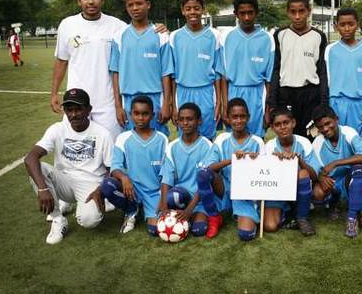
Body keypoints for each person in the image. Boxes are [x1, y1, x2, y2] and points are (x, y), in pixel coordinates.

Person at [24, 88, 113, 244]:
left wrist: (101, 191)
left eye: (78, 109)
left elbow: (112, 169)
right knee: (39, 167)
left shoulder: (102, 133)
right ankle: (58, 219)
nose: (73, 114)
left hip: (90, 186)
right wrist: (42, 189)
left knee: (88, 221)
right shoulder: (57, 129)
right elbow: (30, 158)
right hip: (64, 180)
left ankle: (85, 206)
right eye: (69, 110)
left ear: (88, 110)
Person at [52, 0, 127, 140]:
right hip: (76, 102)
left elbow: (139, 33)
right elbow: (61, 61)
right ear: (79, 1)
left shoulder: (118, 26)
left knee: (111, 153)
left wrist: (157, 28)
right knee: (75, 148)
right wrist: (54, 94)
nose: (90, 1)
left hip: (107, 103)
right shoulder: (67, 25)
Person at [97, 96, 168, 236]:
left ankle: (147, 208)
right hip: (132, 190)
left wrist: (162, 197)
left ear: (152, 115)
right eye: (136, 113)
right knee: (107, 185)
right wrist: (124, 177)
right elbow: (115, 167)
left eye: (145, 114)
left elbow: (166, 172)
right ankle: (131, 210)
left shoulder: (162, 139)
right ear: (131, 114)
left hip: (154, 192)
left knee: (155, 230)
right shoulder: (123, 138)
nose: (140, 118)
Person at [197, 98, 265, 241]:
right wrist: (232, 159)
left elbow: (264, 173)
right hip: (225, 189)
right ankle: (215, 216)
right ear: (227, 118)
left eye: (242, 116)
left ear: (248, 117)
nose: (238, 121)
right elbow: (209, 167)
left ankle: (244, 213)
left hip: (245, 193)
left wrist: (256, 160)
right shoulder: (222, 139)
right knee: (204, 174)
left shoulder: (257, 142)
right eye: (234, 117)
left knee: (246, 235)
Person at [110, 0, 173, 136]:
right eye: (130, 5)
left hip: (155, 98)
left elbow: (166, 73)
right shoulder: (119, 36)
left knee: (158, 141)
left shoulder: (161, 35)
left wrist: (166, 104)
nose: (135, 8)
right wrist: (118, 106)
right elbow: (115, 73)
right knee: (132, 143)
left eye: (139, 3)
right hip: (129, 99)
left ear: (148, 5)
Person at [268, 0, 328, 139]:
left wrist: (324, 101)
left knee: (310, 135)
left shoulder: (319, 36)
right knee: (287, 135)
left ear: (309, 11)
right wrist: (272, 100)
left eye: (301, 11)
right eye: (293, 12)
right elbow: (276, 68)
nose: (297, 16)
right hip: (286, 94)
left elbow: (322, 71)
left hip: (310, 94)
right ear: (287, 12)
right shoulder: (280, 35)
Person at [311, 105, 362, 237]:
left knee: (358, 168)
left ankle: (352, 218)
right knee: (317, 192)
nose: (325, 129)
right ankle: (333, 203)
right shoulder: (318, 142)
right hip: (333, 182)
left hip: (351, 180)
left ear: (336, 119)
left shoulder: (348, 132)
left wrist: (336, 163)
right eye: (320, 127)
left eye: (328, 123)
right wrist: (321, 178)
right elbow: (315, 168)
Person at [220, 0, 274, 138]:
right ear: (235, 14)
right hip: (234, 93)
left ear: (256, 12)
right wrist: (225, 106)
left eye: (250, 12)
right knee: (234, 141)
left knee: (257, 140)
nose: (247, 17)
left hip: (257, 95)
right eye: (242, 13)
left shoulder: (267, 39)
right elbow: (223, 78)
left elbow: (269, 80)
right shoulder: (226, 38)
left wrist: (268, 110)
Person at [158, 103, 217, 238]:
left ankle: (188, 217)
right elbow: (166, 178)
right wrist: (164, 206)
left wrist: (190, 210)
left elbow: (205, 181)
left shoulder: (208, 146)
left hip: (200, 198)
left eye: (190, 119)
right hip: (180, 196)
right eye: (182, 119)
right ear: (177, 122)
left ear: (199, 121)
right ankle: (178, 213)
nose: (185, 123)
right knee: (174, 196)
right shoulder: (172, 147)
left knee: (199, 230)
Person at [169, 0, 222, 141]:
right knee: (185, 136)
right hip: (183, 92)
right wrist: (173, 104)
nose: (193, 12)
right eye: (188, 8)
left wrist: (218, 103)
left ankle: (208, 165)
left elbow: (218, 74)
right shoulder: (174, 37)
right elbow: (172, 75)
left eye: (196, 8)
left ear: (203, 10)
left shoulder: (214, 35)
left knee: (207, 137)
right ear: (182, 10)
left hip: (206, 92)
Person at [265, 107, 321, 236]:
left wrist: (299, 160)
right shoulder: (269, 147)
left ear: (293, 123)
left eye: (286, 122)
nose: (283, 127)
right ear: (273, 128)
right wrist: (277, 162)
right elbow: (267, 177)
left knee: (303, 173)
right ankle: (287, 214)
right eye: (278, 125)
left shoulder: (304, 142)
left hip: (298, 190)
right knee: (270, 226)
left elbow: (314, 176)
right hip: (278, 192)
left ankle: (302, 217)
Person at [325, 7, 362, 134]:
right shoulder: (330, 50)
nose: (347, 28)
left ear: (358, 24)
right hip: (335, 104)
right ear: (336, 26)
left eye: (351, 24)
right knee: (336, 141)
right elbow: (325, 82)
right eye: (342, 25)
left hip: (358, 106)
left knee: (357, 144)